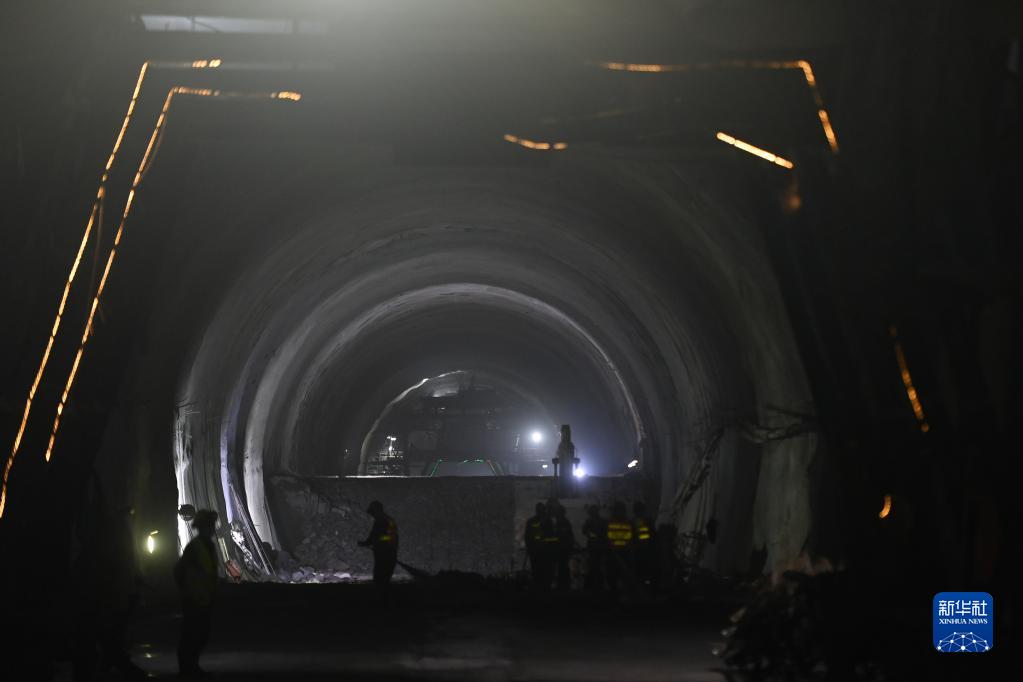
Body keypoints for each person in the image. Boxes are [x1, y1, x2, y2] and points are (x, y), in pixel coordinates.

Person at [175, 509, 219, 679]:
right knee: (192, 634)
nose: (212, 529)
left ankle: (192, 667)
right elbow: (179, 571)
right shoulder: (195, 547)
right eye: (210, 526)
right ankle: (187, 670)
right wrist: (188, 591)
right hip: (194, 599)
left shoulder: (207, 546)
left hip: (203, 597)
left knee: (201, 634)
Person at [359, 500, 399, 595]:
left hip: (384, 553)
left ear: (376, 511)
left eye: (372, 512)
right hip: (391, 552)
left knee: (380, 577)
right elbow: (391, 537)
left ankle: (381, 597)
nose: (372, 515)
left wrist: (367, 543)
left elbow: (375, 535)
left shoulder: (381, 521)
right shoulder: (388, 520)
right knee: (386, 577)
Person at [605, 501, 634, 595]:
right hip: (614, 554)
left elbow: (632, 538)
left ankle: (622, 596)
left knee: (623, 578)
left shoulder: (610, 522)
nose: (619, 512)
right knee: (614, 578)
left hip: (622, 554)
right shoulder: (626, 522)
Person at [581, 505, 608, 594]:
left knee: (595, 566)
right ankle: (596, 585)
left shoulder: (592, 521)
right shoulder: (600, 521)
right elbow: (585, 531)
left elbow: (585, 531)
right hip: (596, 547)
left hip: (595, 547)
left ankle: (593, 585)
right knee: (595, 566)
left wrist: (592, 536)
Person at [524, 502, 550, 590]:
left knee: (540, 571)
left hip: (541, 551)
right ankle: (540, 588)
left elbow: (528, 536)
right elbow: (528, 536)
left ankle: (539, 587)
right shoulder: (546, 521)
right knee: (539, 571)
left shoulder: (546, 521)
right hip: (538, 551)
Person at [632, 501, 658, 590]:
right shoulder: (647, 520)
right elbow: (653, 535)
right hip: (645, 550)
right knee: (645, 571)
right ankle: (646, 585)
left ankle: (642, 585)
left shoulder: (633, 521)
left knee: (641, 571)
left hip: (640, 551)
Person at [552, 501, 575, 591]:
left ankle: (563, 584)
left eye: (557, 512)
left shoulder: (563, 523)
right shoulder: (558, 522)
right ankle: (563, 584)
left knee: (563, 566)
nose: (556, 513)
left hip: (562, 549)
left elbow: (568, 536)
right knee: (561, 566)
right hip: (560, 549)